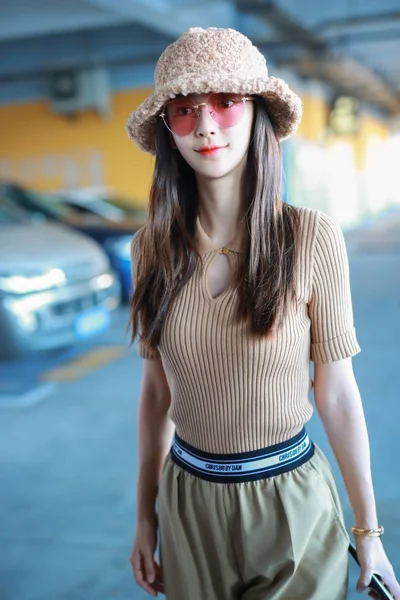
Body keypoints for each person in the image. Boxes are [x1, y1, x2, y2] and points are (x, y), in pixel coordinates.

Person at [126, 26, 399, 600]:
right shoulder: (149, 249)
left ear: (258, 115)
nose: (206, 125)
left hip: (290, 498)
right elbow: (156, 394)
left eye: (227, 103)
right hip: (187, 500)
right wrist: (146, 517)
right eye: (185, 110)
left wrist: (369, 531)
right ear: (168, 129)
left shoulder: (311, 237)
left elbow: (338, 392)